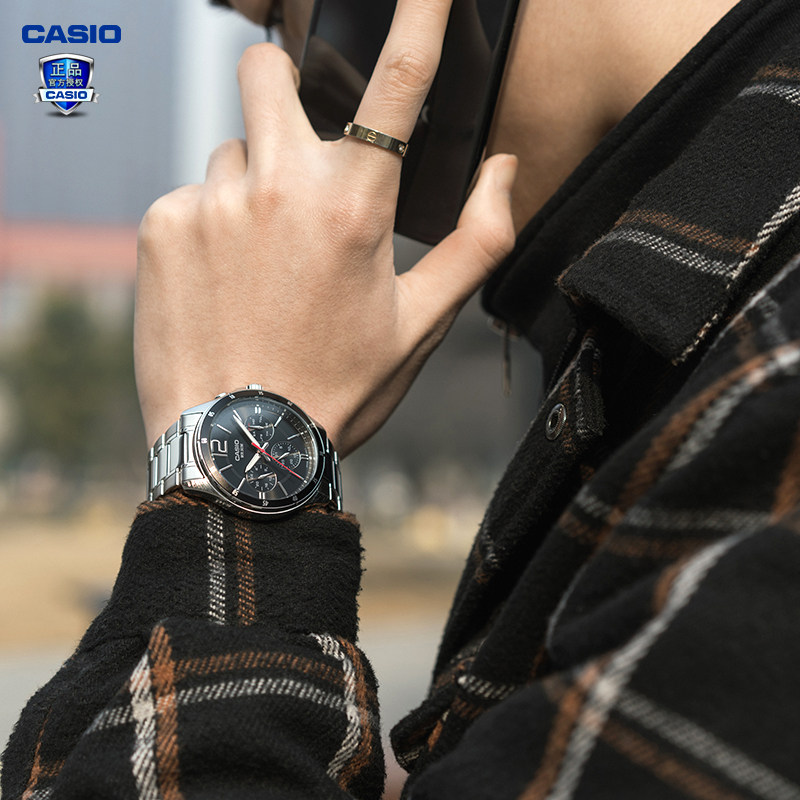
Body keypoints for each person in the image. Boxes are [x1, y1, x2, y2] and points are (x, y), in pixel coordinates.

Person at [4, 0, 800, 796]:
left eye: (283, 16)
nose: (311, 94)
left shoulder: (770, 369)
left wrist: (240, 489)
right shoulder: (666, 339)